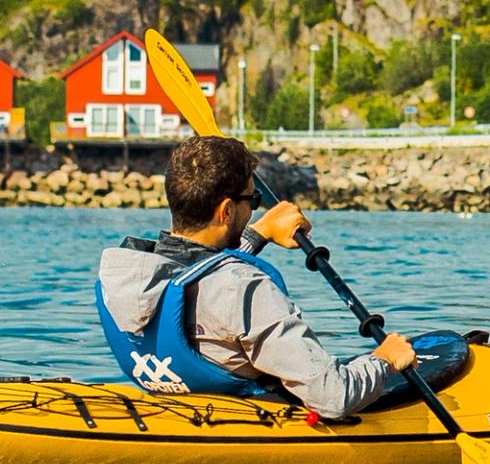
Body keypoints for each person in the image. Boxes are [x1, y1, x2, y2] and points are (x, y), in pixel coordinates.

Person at [97, 133, 440, 419]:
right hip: (242, 417)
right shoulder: (246, 289)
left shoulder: (129, 274)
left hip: (177, 399)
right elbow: (333, 397)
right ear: (227, 211)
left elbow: (197, 282)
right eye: (253, 199)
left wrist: (258, 234)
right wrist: (383, 360)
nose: (254, 208)